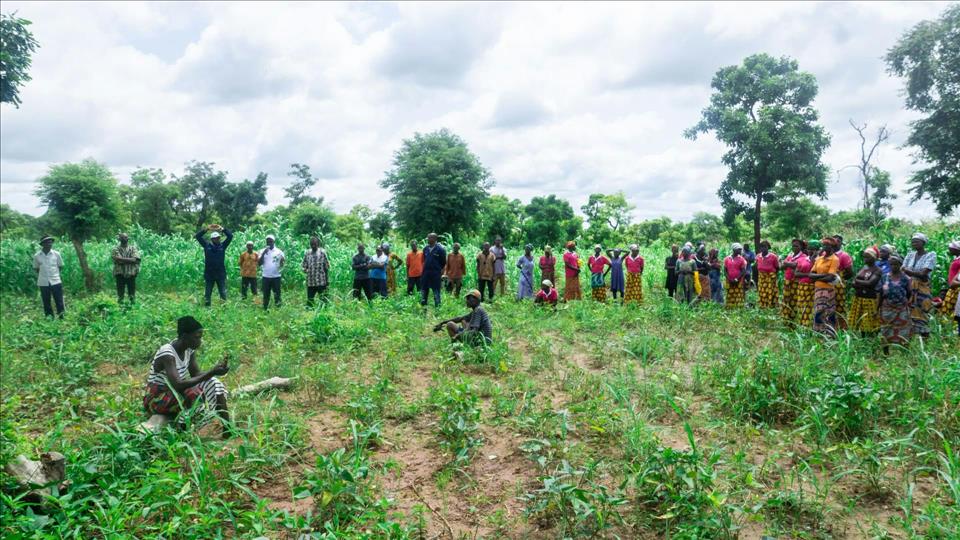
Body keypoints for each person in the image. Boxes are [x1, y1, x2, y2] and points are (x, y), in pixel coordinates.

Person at [143, 316, 231, 437]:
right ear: (185, 336)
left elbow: (196, 374)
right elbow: (178, 385)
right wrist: (211, 372)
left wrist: (215, 372)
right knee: (193, 393)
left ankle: (228, 429)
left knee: (214, 383)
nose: (200, 341)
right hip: (157, 398)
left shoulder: (188, 350)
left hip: (174, 393)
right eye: (197, 337)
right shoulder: (167, 353)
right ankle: (183, 432)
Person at [902, 232, 937, 338]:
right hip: (909, 287)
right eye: (912, 242)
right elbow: (902, 269)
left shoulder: (931, 255)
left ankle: (924, 336)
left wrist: (909, 272)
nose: (914, 244)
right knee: (909, 310)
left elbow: (924, 274)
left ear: (923, 242)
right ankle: (910, 337)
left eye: (916, 242)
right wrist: (913, 273)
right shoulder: (910, 254)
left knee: (923, 310)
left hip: (922, 288)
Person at [806, 237, 841, 337]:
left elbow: (830, 277)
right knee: (819, 311)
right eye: (824, 245)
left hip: (828, 290)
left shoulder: (834, 259)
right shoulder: (819, 259)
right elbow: (810, 275)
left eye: (827, 245)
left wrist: (817, 277)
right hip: (818, 289)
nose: (824, 247)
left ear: (832, 247)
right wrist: (824, 276)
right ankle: (819, 333)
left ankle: (829, 334)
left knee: (828, 312)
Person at [879, 255, 914, 353]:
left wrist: (904, 302)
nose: (893, 266)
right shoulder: (885, 277)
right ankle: (886, 352)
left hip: (901, 308)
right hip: (887, 307)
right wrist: (878, 307)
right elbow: (881, 293)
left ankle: (904, 351)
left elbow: (909, 293)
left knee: (904, 329)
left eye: (896, 264)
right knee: (885, 329)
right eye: (891, 264)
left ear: (900, 265)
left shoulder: (906, 278)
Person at [195, 225, 233, 306]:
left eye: (218, 238)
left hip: (220, 273)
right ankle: (207, 308)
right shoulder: (206, 246)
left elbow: (230, 236)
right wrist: (206, 229)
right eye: (215, 238)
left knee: (222, 292)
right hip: (209, 273)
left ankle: (224, 307)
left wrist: (222, 229)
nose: (217, 239)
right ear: (212, 239)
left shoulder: (223, 246)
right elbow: (198, 236)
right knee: (208, 293)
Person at [849, 247, 882, 337]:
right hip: (859, 297)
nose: (865, 259)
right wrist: (861, 283)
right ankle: (863, 338)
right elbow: (853, 283)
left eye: (867, 257)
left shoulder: (877, 270)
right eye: (864, 257)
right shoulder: (864, 268)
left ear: (874, 258)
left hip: (869, 298)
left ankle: (871, 339)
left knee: (870, 320)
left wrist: (858, 282)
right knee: (861, 320)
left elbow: (871, 283)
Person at [33, 236, 65, 318]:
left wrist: (54, 274)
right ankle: (49, 317)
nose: (49, 244)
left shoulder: (56, 254)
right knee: (46, 301)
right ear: (42, 244)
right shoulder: (37, 256)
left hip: (56, 281)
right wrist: (44, 275)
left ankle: (61, 316)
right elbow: (36, 268)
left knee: (59, 299)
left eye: (50, 242)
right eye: (47, 242)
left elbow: (60, 266)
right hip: (43, 282)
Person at [792, 241, 818, 328]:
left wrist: (813, 261)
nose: (811, 251)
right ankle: (802, 325)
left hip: (813, 287)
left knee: (810, 307)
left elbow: (817, 273)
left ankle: (809, 326)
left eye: (813, 249)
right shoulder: (802, 260)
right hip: (802, 287)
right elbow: (796, 274)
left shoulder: (820, 261)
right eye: (809, 249)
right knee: (801, 306)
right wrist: (808, 275)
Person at [780, 239, 806, 323]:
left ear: (801, 247)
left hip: (795, 282)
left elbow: (796, 265)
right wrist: (787, 263)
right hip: (787, 281)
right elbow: (782, 267)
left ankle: (793, 320)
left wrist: (786, 263)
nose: (794, 247)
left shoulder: (803, 256)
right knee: (786, 299)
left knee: (794, 301)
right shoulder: (790, 255)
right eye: (793, 246)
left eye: (796, 246)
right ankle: (785, 318)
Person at [111, 233, 141, 305]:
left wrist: (121, 259)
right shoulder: (116, 249)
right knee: (120, 294)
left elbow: (135, 260)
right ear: (119, 239)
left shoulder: (133, 248)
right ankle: (120, 307)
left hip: (131, 273)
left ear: (128, 239)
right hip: (120, 273)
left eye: (125, 237)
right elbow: (117, 261)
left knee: (132, 294)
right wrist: (131, 260)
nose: (124, 239)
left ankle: (132, 307)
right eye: (122, 237)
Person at [833, 235, 855, 330]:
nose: (835, 242)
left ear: (841, 243)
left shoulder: (844, 255)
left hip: (838, 285)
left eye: (838, 241)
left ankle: (841, 328)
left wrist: (840, 279)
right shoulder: (826, 253)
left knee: (839, 305)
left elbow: (850, 272)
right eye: (833, 240)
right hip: (827, 284)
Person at [258, 235, 285, 310]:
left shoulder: (279, 251)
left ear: (274, 242)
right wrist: (264, 253)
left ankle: (278, 309)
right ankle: (265, 309)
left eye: (270, 241)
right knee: (266, 294)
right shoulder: (262, 251)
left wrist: (281, 265)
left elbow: (283, 262)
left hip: (276, 276)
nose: (269, 243)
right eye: (267, 241)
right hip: (266, 276)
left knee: (277, 294)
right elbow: (259, 263)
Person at [420, 233, 447, 307]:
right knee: (424, 291)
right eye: (428, 238)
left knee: (436, 292)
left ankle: (437, 308)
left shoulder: (440, 249)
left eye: (430, 238)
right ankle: (423, 308)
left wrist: (437, 269)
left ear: (435, 239)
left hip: (435, 274)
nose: (428, 239)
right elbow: (424, 260)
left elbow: (443, 262)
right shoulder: (425, 249)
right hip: (426, 274)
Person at [302, 236, 330, 307]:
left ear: (318, 244)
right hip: (311, 282)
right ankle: (310, 312)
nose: (313, 246)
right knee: (310, 300)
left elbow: (326, 267)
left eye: (315, 244)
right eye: (311, 244)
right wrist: (305, 270)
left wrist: (327, 280)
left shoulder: (322, 252)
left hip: (321, 281)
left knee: (323, 300)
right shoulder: (307, 253)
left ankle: (324, 311)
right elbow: (304, 265)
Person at [755, 240, 780, 309]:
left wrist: (772, 275)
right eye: (761, 247)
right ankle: (763, 305)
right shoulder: (758, 256)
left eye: (765, 247)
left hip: (770, 277)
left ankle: (771, 305)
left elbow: (777, 267)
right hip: (761, 277)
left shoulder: (773, 256)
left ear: (768, 247)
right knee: (762, 290)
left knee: (771, 291)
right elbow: (757, 265)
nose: (763, 248)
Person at [724, 243, 748, 308]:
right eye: (739, 249)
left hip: (738, 280)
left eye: (740, 249)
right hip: (729, 280)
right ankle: (730, 308)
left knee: (738, 294)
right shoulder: (727, 259)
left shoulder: (741, 259)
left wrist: (737, 279)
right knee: (730, 294)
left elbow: (743, 271)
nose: (740, 251)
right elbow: (725, 270)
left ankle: (738, 308)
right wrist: (729, 279)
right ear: (734, 250)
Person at [942, 241, 960, 317]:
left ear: (957, 249)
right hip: (953, 285)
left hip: (956, 287)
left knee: (952, 307)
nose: (949, 250)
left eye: (951, 248)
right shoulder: (956, 259)